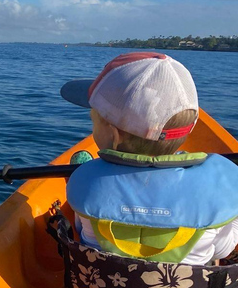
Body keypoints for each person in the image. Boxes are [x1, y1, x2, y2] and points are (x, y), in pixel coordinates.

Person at [60, 52, 238, 266]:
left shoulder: (85, 181)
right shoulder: (218, 189)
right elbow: (223, 250)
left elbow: (80, 231)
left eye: (94, 121)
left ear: (114, 136)